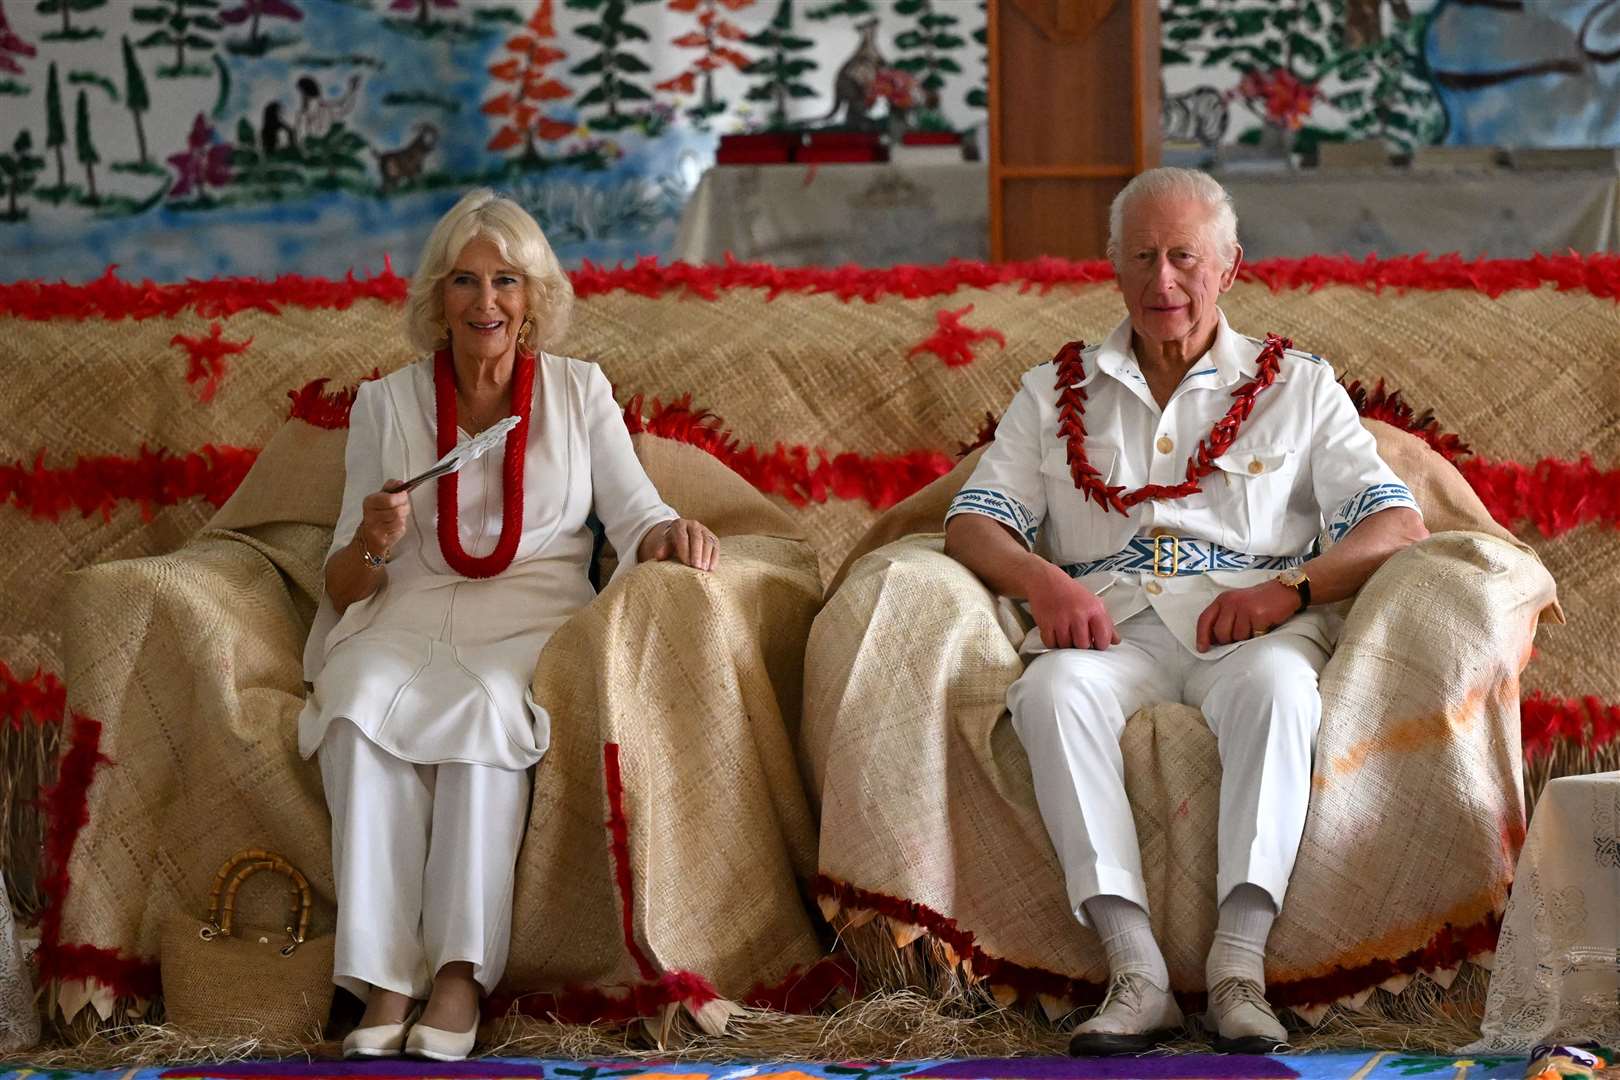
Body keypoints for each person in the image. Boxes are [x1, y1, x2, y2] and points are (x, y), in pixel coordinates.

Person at [942, 167, 1428, 1056]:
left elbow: (1396, 524)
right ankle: (1137, 973)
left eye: (1183, 258)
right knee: (1051, 695)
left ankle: (1240, 968)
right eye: (1141, 258)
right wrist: (1042, 581)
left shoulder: (1297, 385)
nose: (1162, 282)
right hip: (1112, 627)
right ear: (1113, 269)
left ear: (1229, 267)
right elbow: (972, 523)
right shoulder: (1054, 391)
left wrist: (1291, 591)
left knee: (1283, 691)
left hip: (1250, 631)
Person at [298, 188, 719, 1063]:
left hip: (528, 620)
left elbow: (637, 513)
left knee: (490, 709)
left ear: (533, 300)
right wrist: (374, 544)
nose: (484, 301)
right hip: (402, 611)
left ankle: (457, 975)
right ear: (436, 298)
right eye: (463, 281)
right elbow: (341, 583)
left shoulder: (578, 392)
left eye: (505, 281)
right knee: (354, 698)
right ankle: (383, 978)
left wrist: (669, 531)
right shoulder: (385, 406)